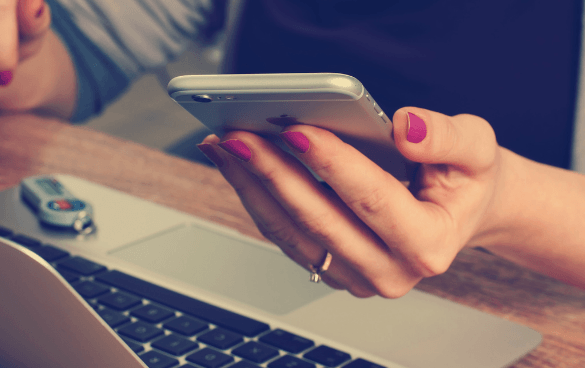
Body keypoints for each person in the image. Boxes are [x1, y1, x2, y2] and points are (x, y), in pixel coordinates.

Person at [2, 0, 585, 298]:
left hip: (528, 301)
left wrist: (506, 200)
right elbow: (80, 51)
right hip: (245, 256)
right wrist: (21, 50)